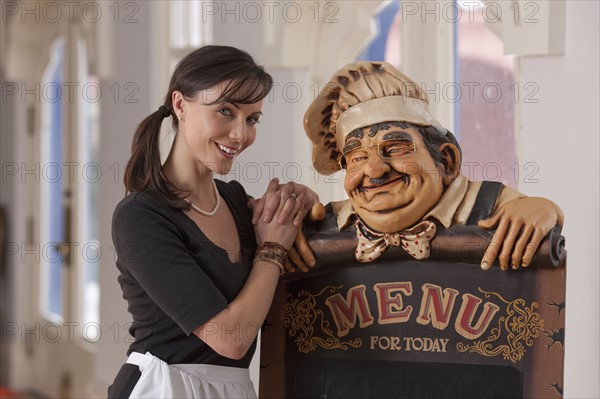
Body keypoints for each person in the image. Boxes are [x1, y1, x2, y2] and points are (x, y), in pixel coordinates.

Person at [108, 45, 317, 398]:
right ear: (180, 105)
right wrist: (270, 249)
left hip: (233, 389)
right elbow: (231, 340)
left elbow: (286, 264)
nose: (240, 134)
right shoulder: (141, 216)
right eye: (225, 111)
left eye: (251, 119)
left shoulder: (236, 201)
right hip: (164, 387)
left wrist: (300, 202)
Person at [300, 61, 563, 271]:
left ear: (447, 161)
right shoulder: (326, 223)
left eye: (394, 149)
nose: (374, 171)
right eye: (357, 157)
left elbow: (532, 214)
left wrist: (543, 209)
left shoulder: (486, 205)